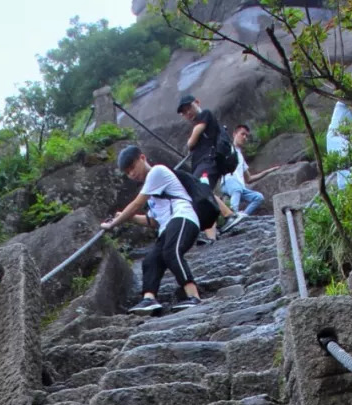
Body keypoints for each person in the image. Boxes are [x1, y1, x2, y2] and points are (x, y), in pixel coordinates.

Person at [101, 145, 203, 315]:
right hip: (168, 226)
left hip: (183, 217)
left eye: (132, 167)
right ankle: (149, 299)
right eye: (127, 172)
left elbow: (136, 204)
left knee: (171, 251)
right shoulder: (151, 194)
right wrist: (131, 218)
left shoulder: (157, 171)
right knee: (151, 260)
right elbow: (153, 221)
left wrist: (115, 222)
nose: (132, 174)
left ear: (142, 158)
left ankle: (194, 296)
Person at [176, 95, 241, 238]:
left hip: (208, 162)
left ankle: (229, 215)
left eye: (189, 108)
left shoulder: (205, 114)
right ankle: (211, 236)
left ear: (197, 103)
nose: (188, 113)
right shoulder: (203, 124)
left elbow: (191, 142)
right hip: (205, 163)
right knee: (202, 196)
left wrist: (189, 143)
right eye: (185, 112)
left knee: (200, 189)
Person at [221, 125, 283, 217]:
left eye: (246, 136)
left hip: (240, 187)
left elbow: (249, 179)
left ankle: (242, 216)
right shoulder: (228, 149)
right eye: (242, 134)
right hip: (229, 182)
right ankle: (232, 214)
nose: (245, 138)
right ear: (234, 134)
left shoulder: (241, 157)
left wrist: (269, 171)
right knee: (237, 188)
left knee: (258, 197)